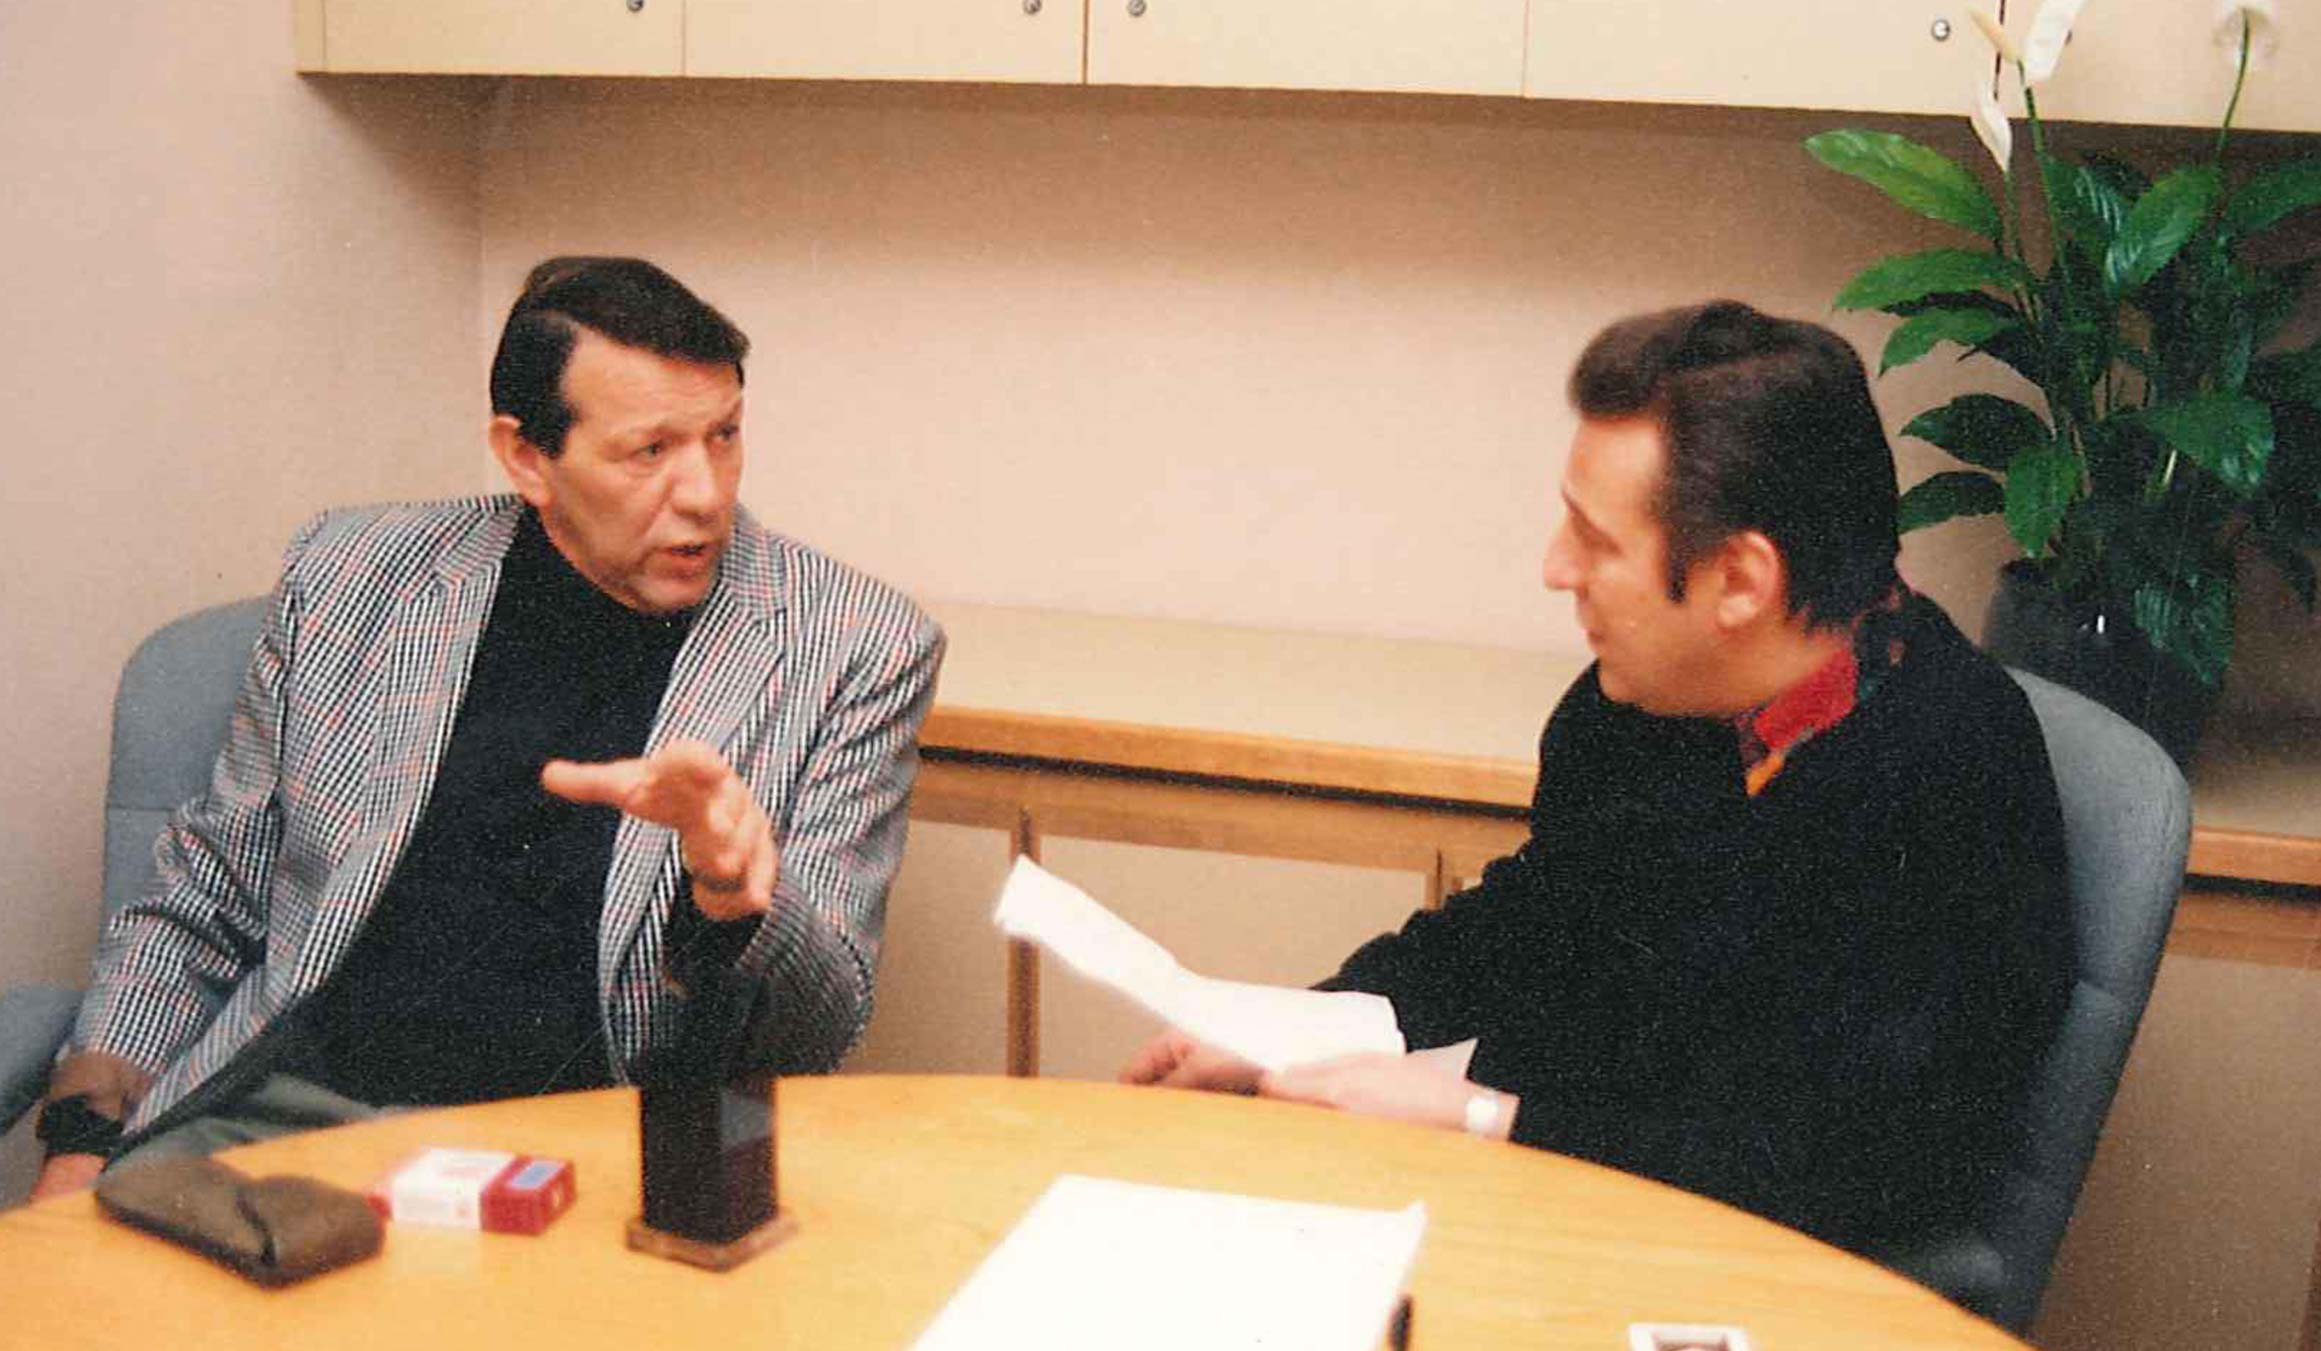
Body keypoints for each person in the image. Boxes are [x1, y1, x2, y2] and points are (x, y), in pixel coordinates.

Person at [1126, 300, 2072, 1266]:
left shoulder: (1959, 778)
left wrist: (1483, 1116)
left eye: (1596, 540)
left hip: (1758, 1278)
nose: (1554, 567)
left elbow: (1852, 1167)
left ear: (1740, 581)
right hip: (1552, 1207)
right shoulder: (1641, 704)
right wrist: (1294, 1027)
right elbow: (1537, 920)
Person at [32, 257, 944, 1199]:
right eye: (650, 451)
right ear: (526, 458)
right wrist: (82, 1139)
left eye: (724, 436)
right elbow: (210, 891)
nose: (706, 493)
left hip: (586, 1163)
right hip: (287, 1125)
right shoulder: (349, 577)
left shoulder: (854, 645)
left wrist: (734, 900)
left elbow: (819, 1031)